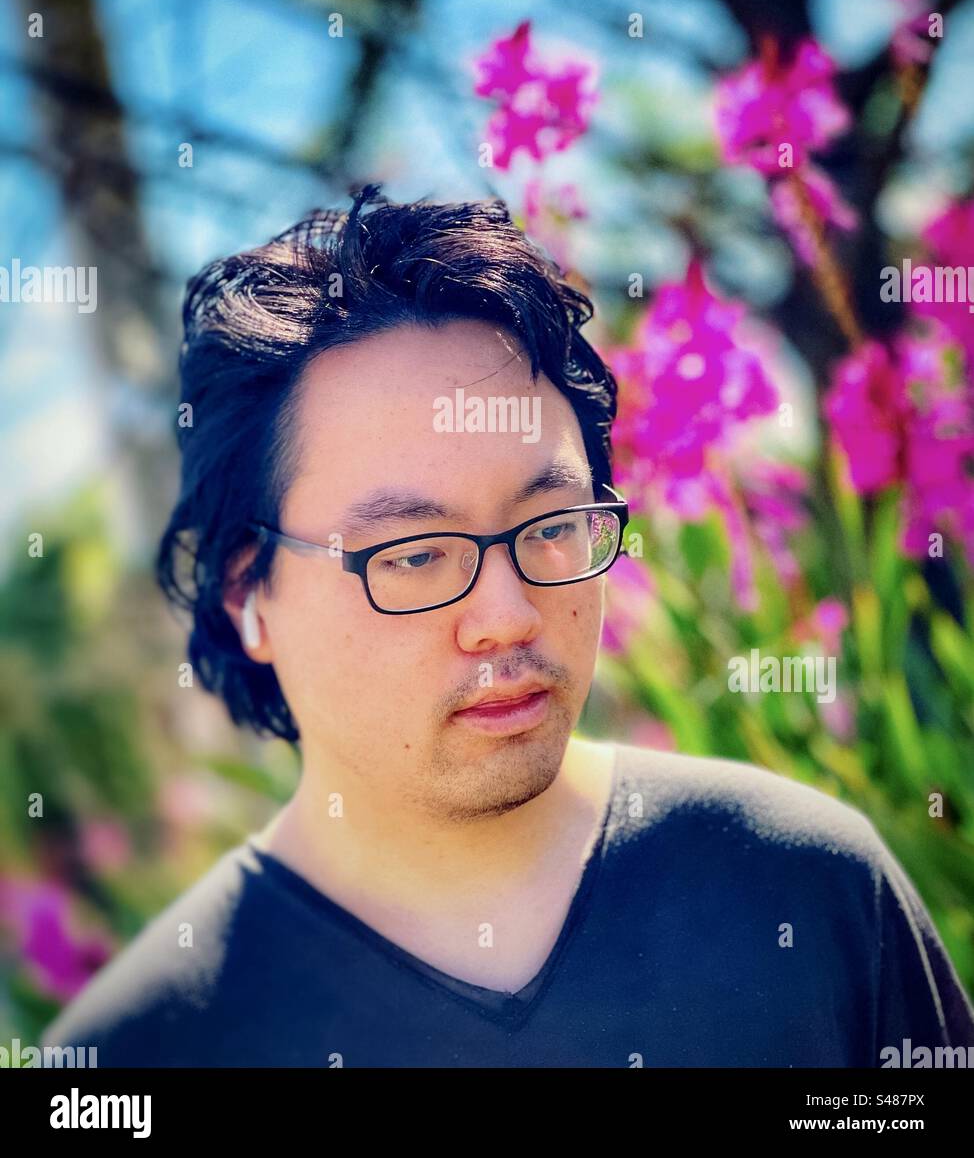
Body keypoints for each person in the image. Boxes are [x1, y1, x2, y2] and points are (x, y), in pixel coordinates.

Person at [42, 188, 974, 1067]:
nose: (508, 616)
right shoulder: (146, 1050)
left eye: (553, 527)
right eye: (411, 555)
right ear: (250, 592)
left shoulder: (802, 886)